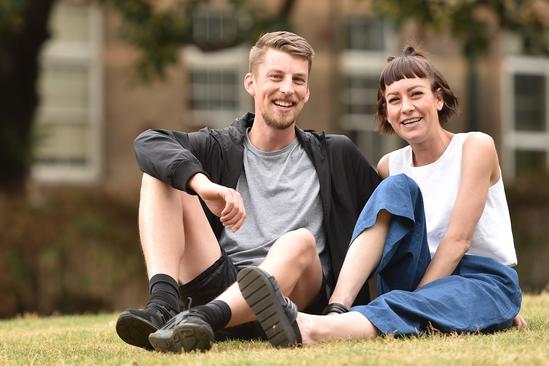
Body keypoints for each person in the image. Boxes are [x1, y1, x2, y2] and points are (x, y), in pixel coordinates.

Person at [238, 46, 525, 347]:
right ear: (387, 111)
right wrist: (418, 302)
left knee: (418, 303)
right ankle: (336, 309)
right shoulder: (390, 165)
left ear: (438, 99)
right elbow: (378, 237)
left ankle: (313, 328)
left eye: (416, 94)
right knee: (396, 187)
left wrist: (430, 302)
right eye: (394, 100)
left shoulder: (475, 147)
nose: (406, 108)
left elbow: (459, 241)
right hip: (414, 276)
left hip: (478, 278)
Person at [115, 31, 381, 352]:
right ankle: (162, 305)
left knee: (299, 241)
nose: (287, 88)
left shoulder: (336, 154)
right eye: (276, 76)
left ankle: (201, 319)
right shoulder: (219, 147)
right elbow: (150, 142)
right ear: (251, 83)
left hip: (289, 302)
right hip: (221, 280)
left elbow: (386, 213)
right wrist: (203, 184)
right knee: (161, 175)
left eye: (298, 80)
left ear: (307, 91)